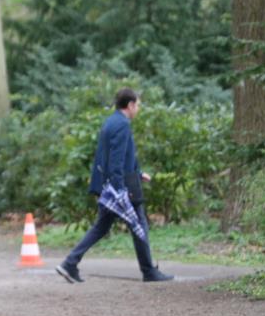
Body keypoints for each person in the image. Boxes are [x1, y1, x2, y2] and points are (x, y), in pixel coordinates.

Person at [55, 88, 175, 284]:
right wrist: (121, 190)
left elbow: (117, 156)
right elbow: (116, 161)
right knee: (140, 224)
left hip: (111, 184)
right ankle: (149, 271)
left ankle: (70, 263)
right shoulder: (122, 125)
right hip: (120, 186)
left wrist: (137, 173)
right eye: (137, 105)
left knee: (101, 227)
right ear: (130, 105)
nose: (138, 109)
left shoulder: (112, 121)